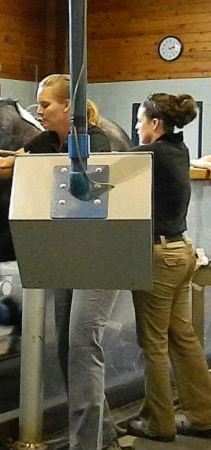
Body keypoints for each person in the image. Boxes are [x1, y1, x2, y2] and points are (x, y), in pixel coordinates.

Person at [0, 74, 128, 450]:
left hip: (100, 254)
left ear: (68, 108)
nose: (38, 112)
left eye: (45, 105)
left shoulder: (97, 142)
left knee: (82, 343)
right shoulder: (45, 141)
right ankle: (103, 433)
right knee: (66, 348)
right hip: (64, 252)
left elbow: (89, 193)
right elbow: (4, 168)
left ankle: (86, 443)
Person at [127, 93, 211, 442]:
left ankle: (157, 423)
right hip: (182, 252)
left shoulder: (151, 155)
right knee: (183, 337)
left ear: (155, 124)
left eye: (140, 120)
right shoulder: (180, 151)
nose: (136, 126)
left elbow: (100, 166)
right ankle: (204, 416)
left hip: (159, 257)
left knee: (154, 343)